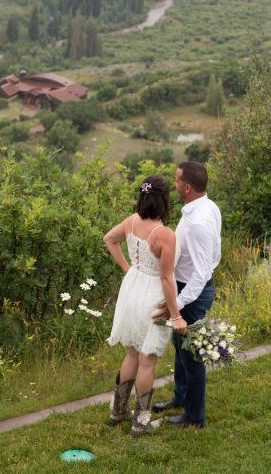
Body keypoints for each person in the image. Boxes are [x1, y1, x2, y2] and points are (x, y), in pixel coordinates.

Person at [103, 174, 187, 437]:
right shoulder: (164, 234)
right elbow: (165, 278)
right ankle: (141, 422)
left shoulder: (131, 221)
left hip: (131, 289)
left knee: (132, 353)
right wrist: (176, 317)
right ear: (164, 200)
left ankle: (118, 411)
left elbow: (109, 239)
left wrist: (129, 268)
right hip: (151, 293)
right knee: (147, 360)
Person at [152, 160, 222, 428]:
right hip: (185, 287)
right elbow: (216, 251)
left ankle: (194, 417)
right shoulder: (207, 206)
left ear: (188, 187)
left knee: (192, 356)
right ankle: (181, 397)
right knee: (179, 346)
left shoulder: (199, 222)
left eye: (177, 179)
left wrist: (175, 306)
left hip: (192, 292)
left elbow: (202, 273)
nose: (175, 183)